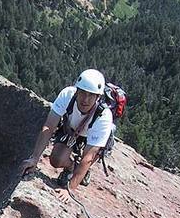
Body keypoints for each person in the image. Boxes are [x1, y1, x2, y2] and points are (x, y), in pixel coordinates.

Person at [21, 69, 113, 203]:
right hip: (72, 129)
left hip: (90, 135)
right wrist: (34, 158)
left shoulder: (103, 117)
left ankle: (80, 174)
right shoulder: (67, 95)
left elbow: (88, 157)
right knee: (56, 160)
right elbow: (49, 126)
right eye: (82, 93)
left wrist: (70, 189)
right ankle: (71, 167)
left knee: (85, 162)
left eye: (91, 95)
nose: (85, 99)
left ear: (98, 97)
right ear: (77, 91)